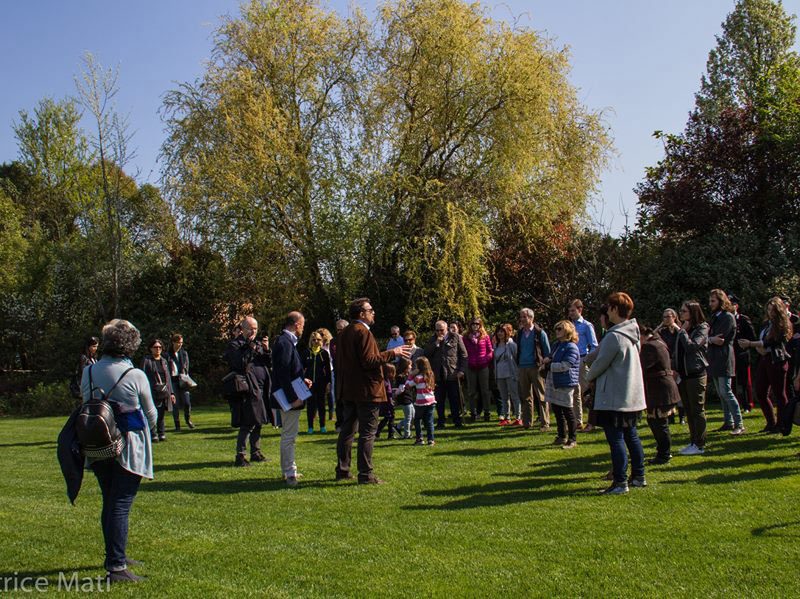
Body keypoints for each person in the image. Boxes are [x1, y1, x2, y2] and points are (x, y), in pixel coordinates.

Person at [80, 319, 156, 583]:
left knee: (110, 500)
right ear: (130, 344)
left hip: (98, 444)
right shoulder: (134, 374)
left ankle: (115, 554)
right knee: (120, 504)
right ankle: (116, 566)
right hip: (127, 447)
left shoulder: (88, 371)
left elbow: (85, 402)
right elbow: (151, 414)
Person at [335, 298, 409, 484]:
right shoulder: (363, 332)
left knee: (347, 431)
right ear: (361, 314)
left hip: (349, 389)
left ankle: (343, 470)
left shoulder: (344, 333)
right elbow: (369, 361)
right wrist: (394, 353)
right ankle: (365, 474)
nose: (373, 312)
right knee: (367, 433)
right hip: (366, 390)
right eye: (370, 310)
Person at [586, 292, 646, 495]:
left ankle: (620, 482)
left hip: (614, 395)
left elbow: (600, 363)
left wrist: (587, 377)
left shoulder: (615, 336)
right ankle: (639, 476)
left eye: (609, 307)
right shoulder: (633, 332)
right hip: (631, 394)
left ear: (614, 309)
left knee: (616, 439)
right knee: (631, 435)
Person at [739, 297, 793, 434]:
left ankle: (782, 424)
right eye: (768, 309)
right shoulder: (766, 323)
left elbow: (772, 342)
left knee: (779, 394)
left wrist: (751, 344)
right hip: (765, 358)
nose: (770, 312)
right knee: (761, 391)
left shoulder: (781, 323)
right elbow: (762, 341)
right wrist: (758, 346)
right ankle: (771, 422)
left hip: (777, 360)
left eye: (773, 310)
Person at [223, 316, 270, 467]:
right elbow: (240, 364)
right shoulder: (235, 345)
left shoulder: (257, 343)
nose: (253, 331)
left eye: (255, 328)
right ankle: (240, 455)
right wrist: (249, 346)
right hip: (247, 389)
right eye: (250, 328)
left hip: (261, 387)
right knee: (247, 422)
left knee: (258, 422)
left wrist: (267, 349)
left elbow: (268, 362)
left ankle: (256, 452)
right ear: (242, 329)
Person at [271, 312, 309, 486]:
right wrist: (293, 397)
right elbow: (283, 374)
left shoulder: (286, 342)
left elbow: (290, 371)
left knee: (289, 435)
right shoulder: (285, 343)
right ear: (295, 324)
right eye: (302, 324)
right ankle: (289, 472)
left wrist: (302, 379)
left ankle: (288, 469)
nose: (302, 328)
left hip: (290, 392)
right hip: (288, 396)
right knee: (289, 436)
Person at [640, 325, 680, 464]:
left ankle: (664, 454)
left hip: (659, 389)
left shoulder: (650, 347)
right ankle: (663, 452)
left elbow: (641, 367)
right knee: (656, 421)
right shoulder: (659, 342)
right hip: (662, 387)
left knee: (659, 422)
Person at [707, 289, 745, 435]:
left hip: (724, 358)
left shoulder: (727, 317)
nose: (710, 304)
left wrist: (709, 340)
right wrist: (710, 340)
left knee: (726, 391)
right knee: (721, 393)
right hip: (715, 358)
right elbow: (711, 338)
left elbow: (720, 339)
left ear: (721, 302)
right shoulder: (716, 316)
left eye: (713, 301)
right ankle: (728, 422)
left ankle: (739, 423)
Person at [674, 301, 710, 456]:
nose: (681, 314)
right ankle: (693, 441)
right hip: (684, 375)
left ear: (693, 312)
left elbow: (692, 347)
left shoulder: (702, 327)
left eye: (684, 311)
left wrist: (682, 332)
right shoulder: (685, 328)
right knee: (688, 409)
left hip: (696, 374)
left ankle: (700, 443)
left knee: (697, 409)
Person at [543, 320, 581, 449]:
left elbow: (566, 365)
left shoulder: (571, 347)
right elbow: (549, 357)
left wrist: (549, 365)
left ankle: (572, 439)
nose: (557, 331)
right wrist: (547, 361)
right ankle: (561, 436)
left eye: (560, 329)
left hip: (566, 381)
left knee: (567, 410)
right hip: (554, 380)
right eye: (556, 329)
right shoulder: (556, 345)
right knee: (557, 410)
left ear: (567, 331)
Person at [424, 320, 468, 429]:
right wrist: (436, 344)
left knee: (455, 399)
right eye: (437, 330)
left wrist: (462, 370)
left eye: (442, 330)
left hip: (452, 373)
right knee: (439, 400)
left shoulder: (455, 337)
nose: (439, 332)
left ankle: (457, 420)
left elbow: (464, 355)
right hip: (438, 375)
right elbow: (426, 353)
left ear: (447, 328)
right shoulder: (432, 339)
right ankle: (441, 421)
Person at [516, 308, 551, 431]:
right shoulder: (519, 333)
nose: (522, 319)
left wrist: (543, 364)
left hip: (536, 367)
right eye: (521, 317)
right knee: (526, 397)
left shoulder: (539, 333)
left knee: (541, 396)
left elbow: (547, 352)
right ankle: (527, 423)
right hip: (522, 367)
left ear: (531, 318)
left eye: (524, 317)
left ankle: (545, 423)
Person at [568, 299, 598, 431]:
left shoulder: (587, 325)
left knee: (587, 392)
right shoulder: (569, 326)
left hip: (582, 360)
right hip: (571, 362)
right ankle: (577, 421)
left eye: (573, 310)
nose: (571, 313)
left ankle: (593, 421)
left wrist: (586, 360)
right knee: (575, 392)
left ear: (580, 310)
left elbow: (594, 345)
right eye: (569, 311)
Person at [141, 338, 175, 443]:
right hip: (151, 391)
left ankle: (161, 433)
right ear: (151, 349)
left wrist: (172, 393)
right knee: (152, 412)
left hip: (164, 391)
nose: (158, 349)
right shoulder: (147, 361)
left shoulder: (164, 361)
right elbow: (141, 376)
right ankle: (153, 433)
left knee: (161, 413)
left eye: (160, 347)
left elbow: (168, 377)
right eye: (155, 347)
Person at [655, 308, 684, 424]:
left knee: (680, 391)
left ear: (674, 317)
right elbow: (651, 336)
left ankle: (682, 416)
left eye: (668, 317)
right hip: (667, 364)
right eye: (664, 317)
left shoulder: (679, 330)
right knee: (669, 392)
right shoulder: (662, 332)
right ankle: (671, 416)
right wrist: (660, 325)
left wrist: (675, 326)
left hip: (678, 363)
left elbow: (684, 336)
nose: (666, 319)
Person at [729, 295, 756, 413]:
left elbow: (752, 337)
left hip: (742, 354)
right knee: (732, 382)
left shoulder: (743, 319)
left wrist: (747, 343)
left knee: (745, 381)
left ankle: (747, 404)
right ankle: (736, 404)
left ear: (736, 306)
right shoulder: (725, 319)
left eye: (732, 304)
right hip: (730, 354)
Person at [464, 317, 494, 422]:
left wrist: (486, 359)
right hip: (471, 367)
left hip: (483, 366)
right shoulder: (466, 337)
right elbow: (463, 351)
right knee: (472, 391)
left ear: (480, 325)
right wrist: (468, 360)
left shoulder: (485, 337)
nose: (475, 326)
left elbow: (490, 351)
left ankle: (487, 412)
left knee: (485, 391)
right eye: (473, 324)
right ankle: (473, 413)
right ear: (470, 325)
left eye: (477, 324)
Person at [302, 330, 332, 434]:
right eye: (313, 339)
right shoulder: (306, 352)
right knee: (310, 405)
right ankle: (310, 427)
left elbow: (328, 369)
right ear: (311, 341)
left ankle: (322, 426)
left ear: (322, 341)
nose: (316, 341)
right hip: (309, 383)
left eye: (318, 339)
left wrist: (328, 382)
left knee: (321, 405)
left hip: (321, 383)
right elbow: (302, 368)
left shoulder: (324, 353)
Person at [167, 333, 195, 430]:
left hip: (183, 380)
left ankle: (188, 420)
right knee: (175, 404)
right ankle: (177, 424)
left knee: (187, 402)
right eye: (178, 342)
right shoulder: (168, 354)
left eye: (181, 342)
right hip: (173, 380)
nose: (180, 344)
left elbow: (186, 367)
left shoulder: (184, 353)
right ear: (173, 342)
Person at [494, 324, 520, 426]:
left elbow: (516, 359)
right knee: (504, 397)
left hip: (511, 373)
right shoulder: (495, 346)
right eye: (498, 331)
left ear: (507, 333)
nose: (500, 333)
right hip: (499, 374)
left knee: (514, 396)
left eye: (502, 331)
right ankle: (506, 417)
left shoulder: (512, 345)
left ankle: (518, 417)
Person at [410, 356, 437, 445]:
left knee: (417, 420)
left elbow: (408, 384)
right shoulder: (431, 374)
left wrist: (411, 375)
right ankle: (431, 440)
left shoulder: (418, 377)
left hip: (421, 401)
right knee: (429, 421)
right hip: (431, 400)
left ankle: (420, 439)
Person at [331, 319, 349, 430]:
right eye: (337, 330)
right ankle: (340, 423)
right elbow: (336, 356)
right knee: (339, 400)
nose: (339, 332)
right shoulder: (334, 342)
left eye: (341, 330)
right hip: (339, 374)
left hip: (350, 374)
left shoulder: (352, 340)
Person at [393, 357, 415, 439]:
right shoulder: (401, 377)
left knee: (413, 416)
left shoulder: (407, 375)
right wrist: (396, 394)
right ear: (405, 366)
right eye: (410, 365)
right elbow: (401, 389)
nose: (411, 367)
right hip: (405, 399)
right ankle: (407, 435)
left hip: (409, 398)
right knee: (409, 418)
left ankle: (398, 426)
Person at [317, 328, 335, 421]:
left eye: (323, 335)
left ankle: (331, 414)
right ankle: (316, 414)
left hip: (330, 370)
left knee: (330, 393)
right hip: (319, 371)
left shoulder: (329, 346)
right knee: (318, 393)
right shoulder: (316, 345)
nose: (321, 336)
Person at [376, 363, 397, 439]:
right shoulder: (384, 382)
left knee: (390, 418)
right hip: (386, 403)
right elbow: (386, 393)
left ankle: (390, 434)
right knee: (388, 417)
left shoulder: (387, 380)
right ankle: (378, 431)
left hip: (388, 402)